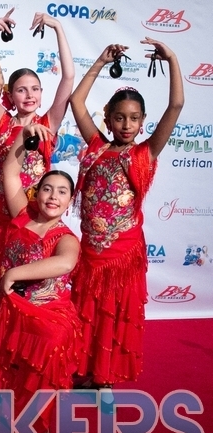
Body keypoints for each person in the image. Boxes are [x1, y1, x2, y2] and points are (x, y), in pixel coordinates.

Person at [69, 39, 184, 388]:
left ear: (143, 121)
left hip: (123, 255)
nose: (126, 124)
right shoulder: (96, 146)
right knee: (87, 313)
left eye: (134, 118)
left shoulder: (144, 154)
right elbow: (76, 101)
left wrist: (172, 59)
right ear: (107, 118)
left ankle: (104, 378)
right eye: (119, 117)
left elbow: (176, 105)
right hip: (91, 252)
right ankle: (85, 372)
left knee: (113, 316)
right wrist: (100, 61)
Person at [0, 9, 74, 328]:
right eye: (21, 89)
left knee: (28, 290)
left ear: (42, 94)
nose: (29, 95)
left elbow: (68, 78)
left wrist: (57, 27)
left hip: (35, 220)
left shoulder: (49, 122)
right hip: (3, 218)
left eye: (35, 89)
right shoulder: (3, 122)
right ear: (11, 95)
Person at [0, 124, 80, 433]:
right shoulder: (21, 214)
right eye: (47, 189)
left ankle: (39, 423)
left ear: (70, 201)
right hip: (14, 307)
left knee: (50, 343)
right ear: (36, 193)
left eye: (62, 192)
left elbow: (65, 263)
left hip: (49, 311)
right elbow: (10, 171)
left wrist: (14, 273)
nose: (53, 196)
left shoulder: (66, 237)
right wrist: (22, 134)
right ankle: (13, 406)